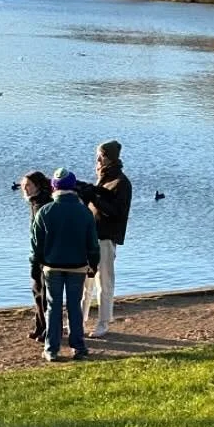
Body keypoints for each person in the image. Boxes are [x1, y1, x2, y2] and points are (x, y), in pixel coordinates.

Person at [30, 168, 101, 361]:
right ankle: (78, 347)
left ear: (54, 187)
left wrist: (35, 268)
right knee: (74, 306)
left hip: (52, 266)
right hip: (77, 266)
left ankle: (51, 349)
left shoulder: (45, 211)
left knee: (53, 307)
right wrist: (93, 266)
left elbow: (36, 245)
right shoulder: (84, 212)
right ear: (73, 187)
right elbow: (93, 244)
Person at [77, 139, 133, 335]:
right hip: (90, 237)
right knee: (85, 282)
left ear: (110, 158)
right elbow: (95, 202)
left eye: (101, 156)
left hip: (106, 239)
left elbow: (115, 212)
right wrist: (85, 191)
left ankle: (103, 323)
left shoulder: (121, 183)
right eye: (98, 156)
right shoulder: (103, 179)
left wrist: (93, 197)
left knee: (104, 282)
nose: (98, 160)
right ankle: (79, 321)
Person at [19, 170, 53, 341]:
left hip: (45, 256)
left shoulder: (42, 204)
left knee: (44, 292)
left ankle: (48, 328)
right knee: (38, 291)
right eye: (23, 186)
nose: (25, 189)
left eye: (28, 185)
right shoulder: (34, 202)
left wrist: (36, 260)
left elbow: (42, 236)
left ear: (38, 186)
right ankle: (41, 326)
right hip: (40, 253)